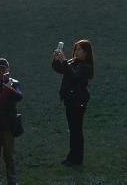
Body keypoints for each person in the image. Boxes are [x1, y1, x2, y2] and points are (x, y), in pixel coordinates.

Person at [51, 39, 94, 167]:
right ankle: (72, 157)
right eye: (75, 49)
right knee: (73, 130)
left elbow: (74, 75)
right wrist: (56, 58)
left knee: (76, 131)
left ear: (86, 53)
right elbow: (59, 69)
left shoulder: (86, 67)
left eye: (79, 49)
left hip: (78, 102)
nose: (76, 51)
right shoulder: (74, 63)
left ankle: (77, 159)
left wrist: (64, 60)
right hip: (70, 101)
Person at [0, 57, 23, 185]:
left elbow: (19, 96)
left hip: (8, 125)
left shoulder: (14, 83)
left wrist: (9, 88)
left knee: (9, 155)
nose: (1, 72)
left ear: (8, 70)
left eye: (3, 69)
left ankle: (11, 179)